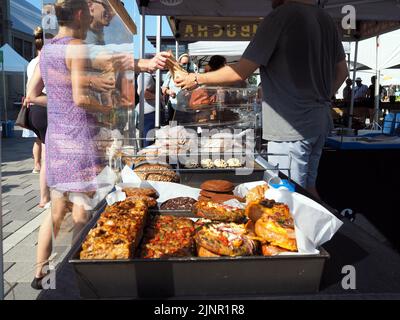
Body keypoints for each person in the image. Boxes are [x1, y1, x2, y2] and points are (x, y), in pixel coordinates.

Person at [25, 0, 170, 290]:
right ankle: (80, 276)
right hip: (79, 139)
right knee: (81, 211)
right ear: (81, 14)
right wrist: (109, 104)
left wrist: (69, 96)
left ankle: (40, 274)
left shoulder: (48, 49)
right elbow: (81, 98)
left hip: (57, 138)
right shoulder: (77, 46)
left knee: (56, 210)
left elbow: (33, 94)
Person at [175, 0, 348, 198]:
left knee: (288, 197)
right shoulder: (325, 19)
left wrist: (196, 78)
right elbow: (342, 72)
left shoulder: (280, 17)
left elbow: (240, 72)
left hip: (290, 126)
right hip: (318, 122)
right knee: (308, 190)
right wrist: (321, 96)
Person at [26, 26, 51, 209]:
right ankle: (46, 197)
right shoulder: (46, 60)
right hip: (45, 107)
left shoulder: (32, 62)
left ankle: (44, 198)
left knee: (45, 155)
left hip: (35, 110)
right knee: (49, 156)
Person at [162, 53, 193, 121]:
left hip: (187, 108)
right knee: (173, 127)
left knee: (187, 128)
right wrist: (169, 92)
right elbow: (163, 88)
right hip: (174, 106)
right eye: (184, 63)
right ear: (179, 63)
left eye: (188, 63)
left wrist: (190, 92)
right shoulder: (171, 73)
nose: (186, 65)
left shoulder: (191, 74)